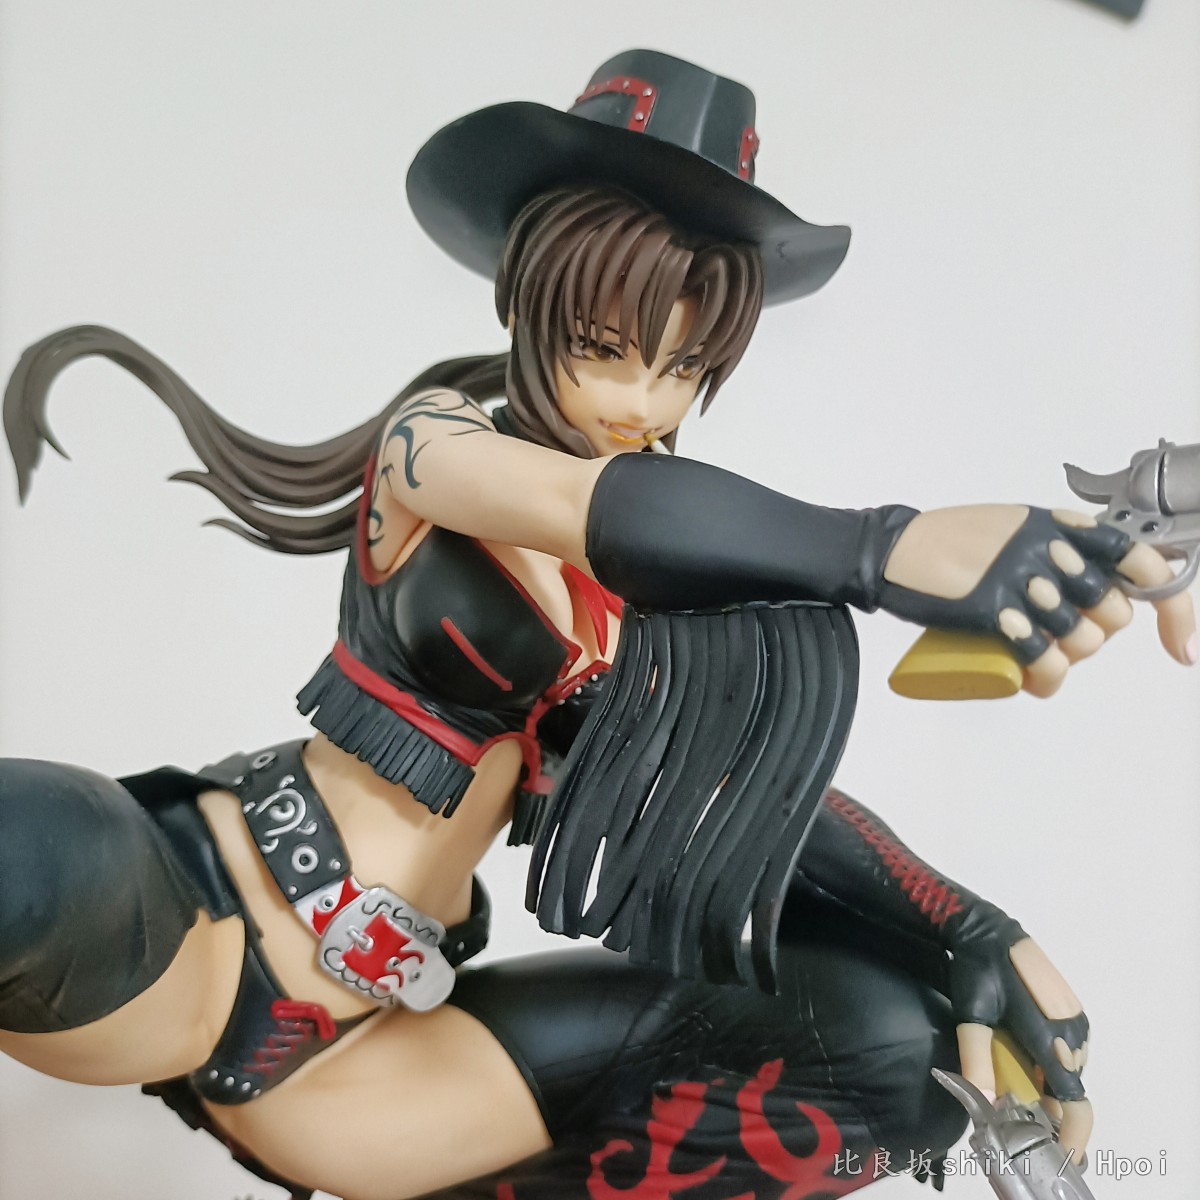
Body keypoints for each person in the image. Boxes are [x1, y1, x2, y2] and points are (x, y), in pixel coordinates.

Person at [1, 49, 1193, 1200]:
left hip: (370, 1063)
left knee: (897, 1047)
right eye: (604, 349)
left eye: (683, 366)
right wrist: (885, 547)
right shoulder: (435, 445)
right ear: (531, 299)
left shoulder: (657, 589)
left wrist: (968, 930)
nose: (640, 400)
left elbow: (742, 798)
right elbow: (598, 507)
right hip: (201, 911)